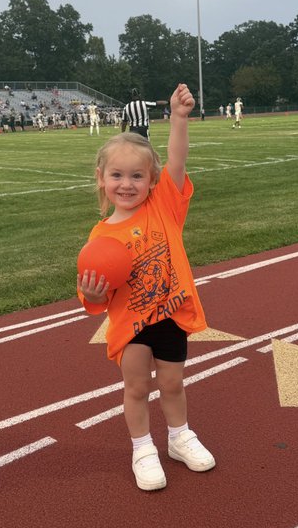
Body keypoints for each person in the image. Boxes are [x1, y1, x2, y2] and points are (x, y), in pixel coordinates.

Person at [77, 82, 215, 492]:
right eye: (117, 175)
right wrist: (96, 295)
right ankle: (142, 448)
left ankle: (179, 437)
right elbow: (93, 296)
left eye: (137, 175)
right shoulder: (100, 236)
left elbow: (177, 158)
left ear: (152, 179)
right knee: (137, 388)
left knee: (172, 384)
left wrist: (179, 118)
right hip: (132, 326)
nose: (127, 183)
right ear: (102, 180)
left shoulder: (164, 206)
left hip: (171, 315)